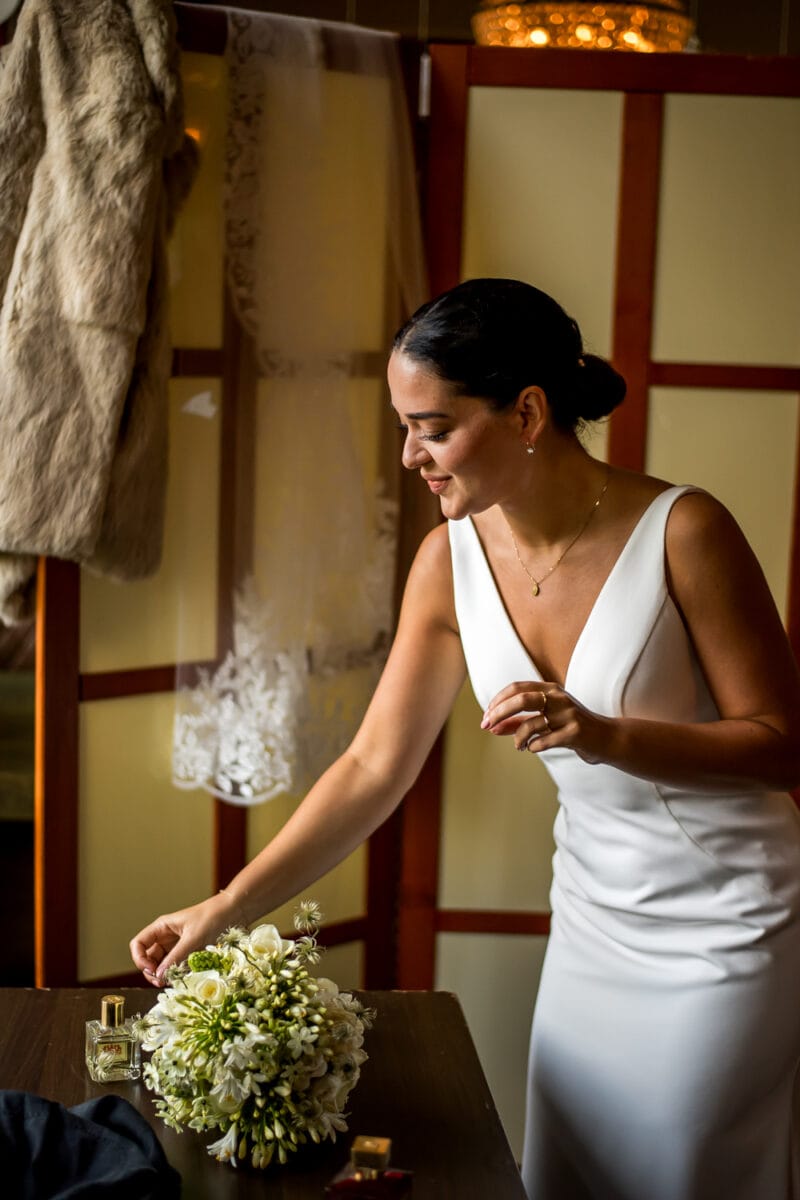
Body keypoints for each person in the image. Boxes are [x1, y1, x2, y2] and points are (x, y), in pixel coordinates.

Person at [131, 278, 800, 1200]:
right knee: (569, 1173)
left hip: (729, 929)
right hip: (596, 928)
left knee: (685, 1173)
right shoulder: (448, 562)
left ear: (527, 410)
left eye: (433, 428)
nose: (411, 456)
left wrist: (606, 735)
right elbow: (373, 766)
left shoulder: (685, 530)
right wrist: (228, 906)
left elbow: (780, 743)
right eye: (406, 427)